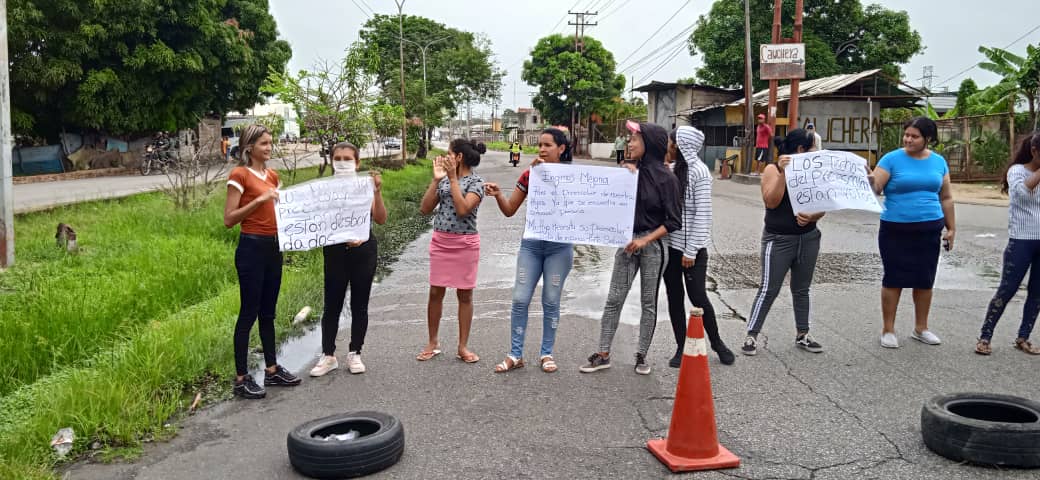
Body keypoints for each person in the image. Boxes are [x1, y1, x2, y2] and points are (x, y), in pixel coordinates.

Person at [580, 120, 682, 375]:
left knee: (648, 301)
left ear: (649, 143)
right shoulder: (627, 173)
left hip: (653, 246)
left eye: (635, 138)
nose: (629, 142)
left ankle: (642, 355)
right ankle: (603, 353)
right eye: (630, 138)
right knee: (615, 298)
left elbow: (673, 221)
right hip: (626, 244)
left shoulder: (667, 179)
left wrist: (645, 240)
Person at [485, 128, 574, 373]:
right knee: (520, 298)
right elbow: (510, 209)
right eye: (540, 145)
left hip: (560, 247)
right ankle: (515, 354)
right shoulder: (528, 174)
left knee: (551, 299)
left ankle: (547, 353)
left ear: (561, 149)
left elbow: (588, 208)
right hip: (532, 245)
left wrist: (629, 173)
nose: (542, 149)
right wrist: (498, 195)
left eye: (548, 145)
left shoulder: (576, 178)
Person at [223, 124, 301, 399]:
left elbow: (281, 212)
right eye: (264, 144)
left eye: (271, 143)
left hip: (273, 246)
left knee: (268, 312)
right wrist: (260, 200)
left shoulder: (273, 175)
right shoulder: (240, 175)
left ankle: (271, 369)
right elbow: (230, 219)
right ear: (249, 147)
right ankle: (241, 378)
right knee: (249, 312)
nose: (269, 148)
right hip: (251, 247)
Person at [869, 116, 956, 349]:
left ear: (928, 139)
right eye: (906, 134)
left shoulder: (939, 162)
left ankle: (921, 328)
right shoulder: (891, 159)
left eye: (914, 136)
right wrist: (869, 179)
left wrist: (951, 228)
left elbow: (946, 197)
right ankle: (888, 329)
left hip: (929, 227)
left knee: (925, 280)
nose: (908, 139)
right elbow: (876, 188)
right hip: (895, 228)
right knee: (893, 278)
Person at [741, 128, 825, 356]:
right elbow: (771, 201)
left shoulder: (813, 172)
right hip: (778, 239)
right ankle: (751, 334)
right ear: (801, 150)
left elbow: (822, 206)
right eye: (813, 147)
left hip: (808, 238)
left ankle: (802, 334)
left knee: (801, 289)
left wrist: (812, 216)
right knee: (769, 288)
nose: (816, 151)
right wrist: (785, 174)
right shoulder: (773, 169)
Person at [309, 142, 388, 377]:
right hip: (334, 252)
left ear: (357, 162)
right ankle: (328, 355)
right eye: (338, 158)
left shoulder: (366, 186)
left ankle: (355, 352)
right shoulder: (324, 189)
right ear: (332, 161)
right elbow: (314, 219)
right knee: (331, 304)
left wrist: (377, 191)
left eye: (347, 158)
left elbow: (381, 219)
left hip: (363, 251)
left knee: (359, 304)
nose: (343, 163)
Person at [662, 126, 735, 367]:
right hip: (670, 247)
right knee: (674, 297)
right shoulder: (671, 169)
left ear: (681, 146)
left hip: (692, 250)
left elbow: (702, 214)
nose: (668, 147)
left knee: (698, 297)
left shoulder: (700, 172)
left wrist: (691, 250)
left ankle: (716, 342)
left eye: (671, 143)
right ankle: (681, 347)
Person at [417, 139, 487, 363]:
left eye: (449, 154)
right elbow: (425, 208)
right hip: (441, 242)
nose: (445, 157)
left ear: (459, 157)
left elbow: (463, 209)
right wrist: (436, 180)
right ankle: (432, 341)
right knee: (435, 292)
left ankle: (463, 346)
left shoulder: (477, 182)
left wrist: (453, 179)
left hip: (465, 244)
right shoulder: (445, 182)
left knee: (464, 295)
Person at [975, 133, 1040, 356]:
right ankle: (985, 336)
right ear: (1034, 151)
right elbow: (1022, 194)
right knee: (1008, 289)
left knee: (1037, 292)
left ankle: (1024, 337)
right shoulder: (1017, 172)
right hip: (1022, 240)